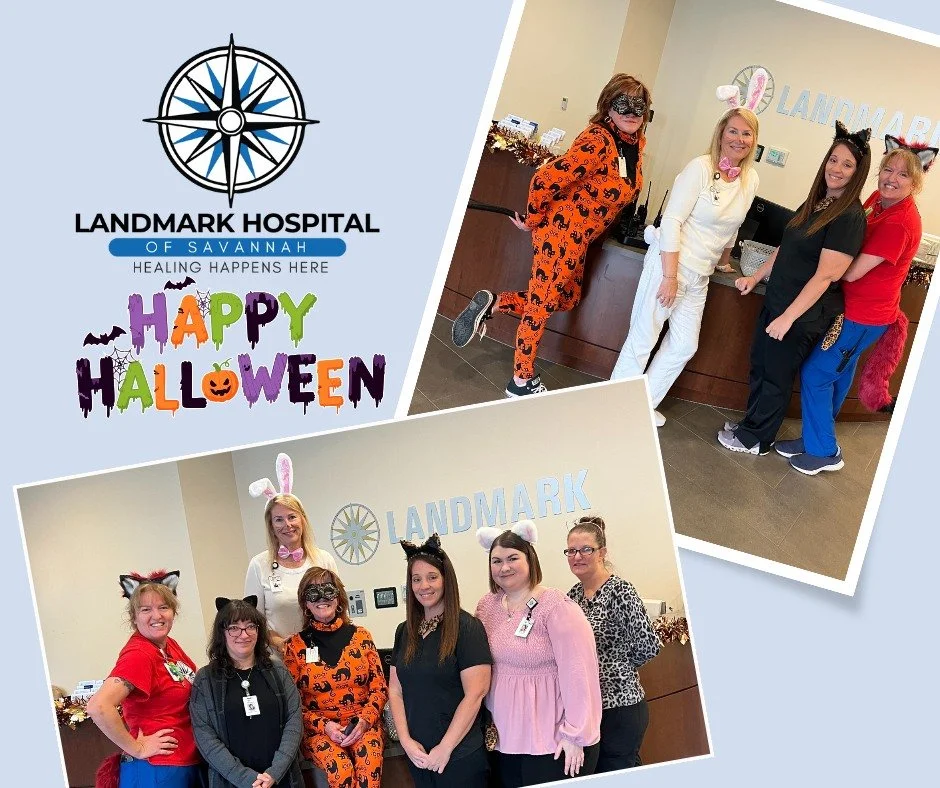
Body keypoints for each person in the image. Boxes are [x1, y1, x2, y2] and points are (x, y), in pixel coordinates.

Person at [451, 74, 652, 397]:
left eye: (638, 106)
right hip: (560, 232)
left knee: (567, 298)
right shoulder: (598, 140)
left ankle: (496, 303)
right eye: (622, 103)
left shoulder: (634, 145)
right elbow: (545, 179)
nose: (631, 112)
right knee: (541, 306)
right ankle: (520, 380)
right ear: (608, 107)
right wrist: (533, 219)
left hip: (580, 239)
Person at [612, 73, 766, 426]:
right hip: (671, 266)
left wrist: (726, 260)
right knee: (643, 337)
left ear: (755, 139)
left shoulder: (750, 179)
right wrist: (668, 276)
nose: (739, 138)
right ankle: (615, 407)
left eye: (746, 133)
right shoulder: (700, 168)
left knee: (684, 345)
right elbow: (672, 222)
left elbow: (733, 225)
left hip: (700, 275)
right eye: (733, 131)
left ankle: (640, 404)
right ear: (721, 133)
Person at [775, 135, 934, 474]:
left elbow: (850, 272)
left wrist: (817, 257)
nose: (891, 179)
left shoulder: (901, 222)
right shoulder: (879, 200)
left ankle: (824, 452)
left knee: (817, 374)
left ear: (916, 181)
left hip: (864, 317)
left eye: (902, 175)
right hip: (853, 310)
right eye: (887, 169)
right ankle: (814, 436)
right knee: (838, 373)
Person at [717, 121, 872, 455]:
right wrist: (755, 277)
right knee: (761, 364)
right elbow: (785, 247)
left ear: (858, 173)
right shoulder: (817, 201)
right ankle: (751, 424)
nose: (837, 169)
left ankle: (756, 439)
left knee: (776, 376)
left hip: (802, 314)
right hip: (780, 299)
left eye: (847, 165)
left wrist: (788, 317)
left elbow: (826, 276)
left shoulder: (849, 217)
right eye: (834, 160)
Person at [474, 522, 601, 787]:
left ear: (529, 558)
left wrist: (576, 736)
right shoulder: (487, 607)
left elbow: (580, 673)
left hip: (551, 740)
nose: (504, 567)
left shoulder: (556, 607)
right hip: (502, 740)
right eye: (496, 561)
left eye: (512, 558)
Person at [388, 534, 492, 786]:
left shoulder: (467, 628)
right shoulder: (405, 631)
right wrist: (406, 741)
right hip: (419, 756)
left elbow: (475, 694)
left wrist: (445, 748)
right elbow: (395, 690)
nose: (424, 585)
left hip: (459, 756)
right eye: (416, 579)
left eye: (432, 577)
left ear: (446, 579)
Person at [87, 570, 202, 788]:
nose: (156, 616)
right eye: (146, 609)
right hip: (157, 770)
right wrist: (137, 747)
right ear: (134, 617)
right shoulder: (139, 654)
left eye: (163, 607)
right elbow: (98, 706)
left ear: (173, 612)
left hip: (182, 764)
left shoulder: (169, 646)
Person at [565, 516, 662, 771]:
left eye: (586, 549)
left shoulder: (620, 591)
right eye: (571, 551)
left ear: (602, 553)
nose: (578, 556)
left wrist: (616, 666)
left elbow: (649, 644)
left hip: (621, 706)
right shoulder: (572, 595)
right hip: (590, 708)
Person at [282, 567, 388, 788]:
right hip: (320, 731)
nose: (322, 598)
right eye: (313, 593)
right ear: (305, 603)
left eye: (328, 590)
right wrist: (325, 726)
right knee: (341, 772)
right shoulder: (294, 647)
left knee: (369, 775)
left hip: (363, 723)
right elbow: (292, 704)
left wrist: (364, 720)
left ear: (339, 596)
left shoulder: (362, 636)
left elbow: (379, 688)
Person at [190, 596, 304, 788]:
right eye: (234, 627)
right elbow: (205, 737)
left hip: (282, 779)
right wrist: (247, 779)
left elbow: (294, 720)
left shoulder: (278, 671)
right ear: (222, 632)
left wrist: (274, 773)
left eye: (251, 626)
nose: (244, 634)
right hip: (230, 782)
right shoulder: (205, 679)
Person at [245, 453, 338, 648]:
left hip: (326, 654)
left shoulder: (324, 560)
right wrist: (282, 644)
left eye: (292, 517)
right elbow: (253, 621)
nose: (287, 525)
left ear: (302, 519)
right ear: (271, 526)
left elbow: (340, 608)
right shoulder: (258, 565)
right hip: (280, 660)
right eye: (278, 519)